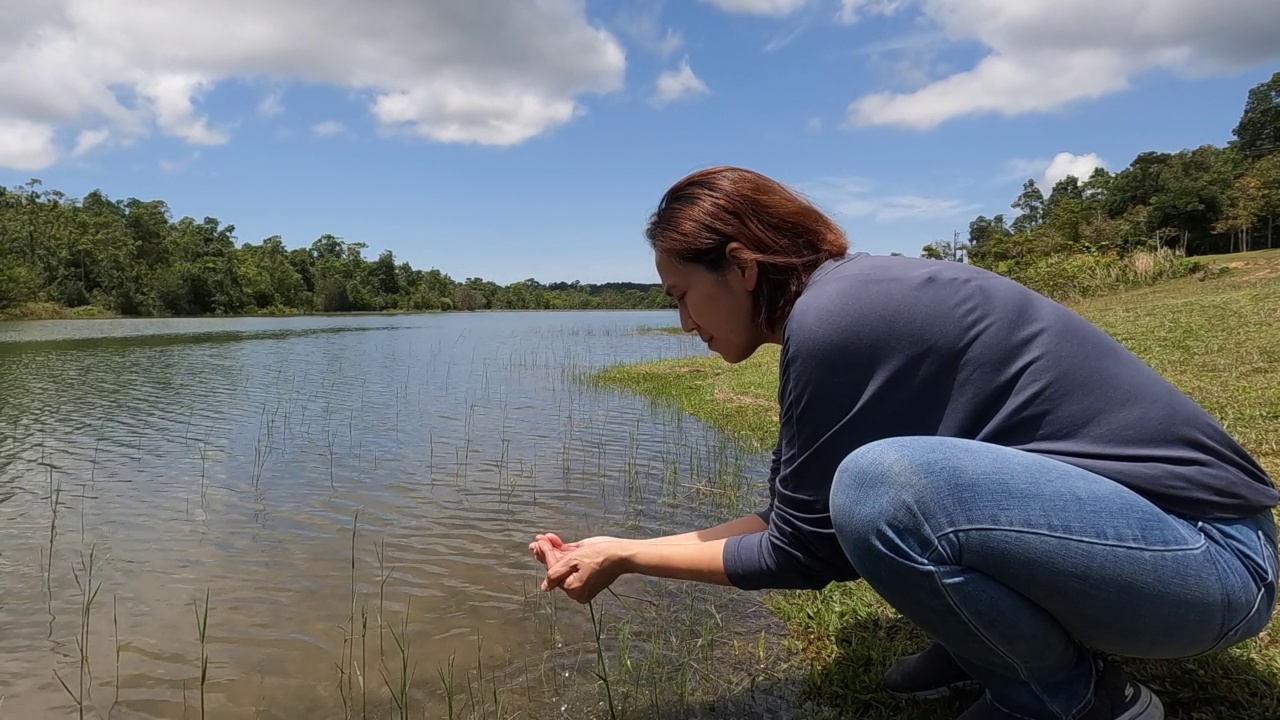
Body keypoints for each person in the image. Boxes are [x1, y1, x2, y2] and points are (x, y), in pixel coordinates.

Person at [528, 166, 1278, 720]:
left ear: (742, 265)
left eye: (680, 296)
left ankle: (1076, 698)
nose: (684, 324)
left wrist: (628, 558)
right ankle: (988, 647)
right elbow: (794, 525)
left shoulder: (837, 321)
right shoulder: (846, 303)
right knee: (875, 489)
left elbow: (803, 555)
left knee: (880, 487)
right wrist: (619, 546)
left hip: (1214, 567)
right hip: (1160, 552)